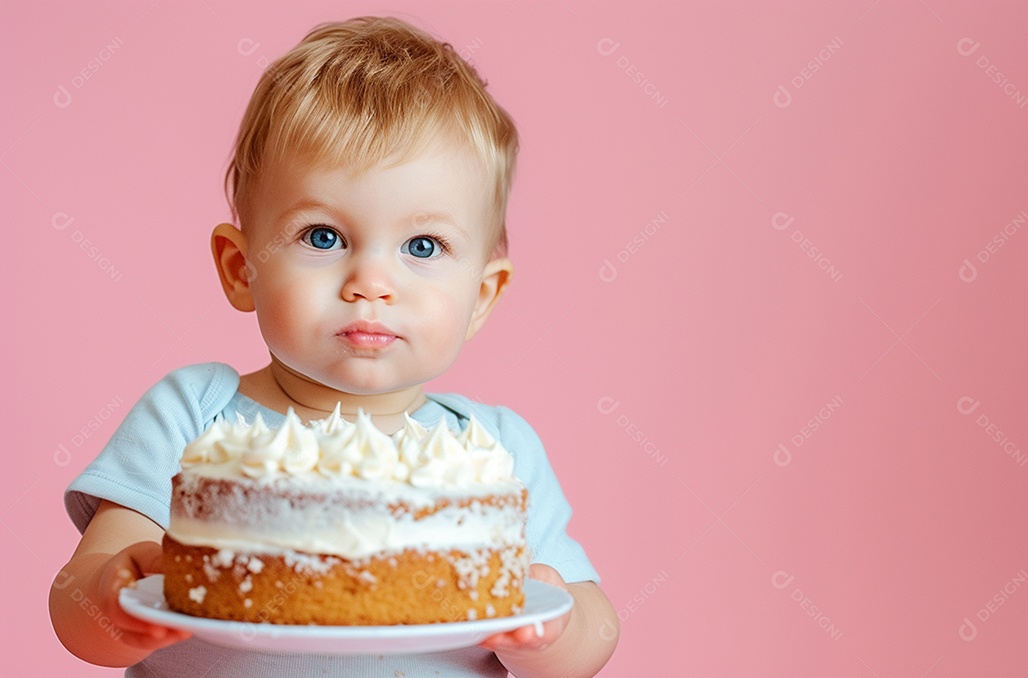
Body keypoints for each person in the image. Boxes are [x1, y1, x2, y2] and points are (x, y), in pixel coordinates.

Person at [49, 16, 619, 677]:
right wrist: (113, 599)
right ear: (242, 268)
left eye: (422, 247)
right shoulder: (193, 416)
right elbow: (76, 602)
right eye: (323, 237)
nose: (371, 284)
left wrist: (553, 633)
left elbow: (596, 628)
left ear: (483, 297)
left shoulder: (492, 453)